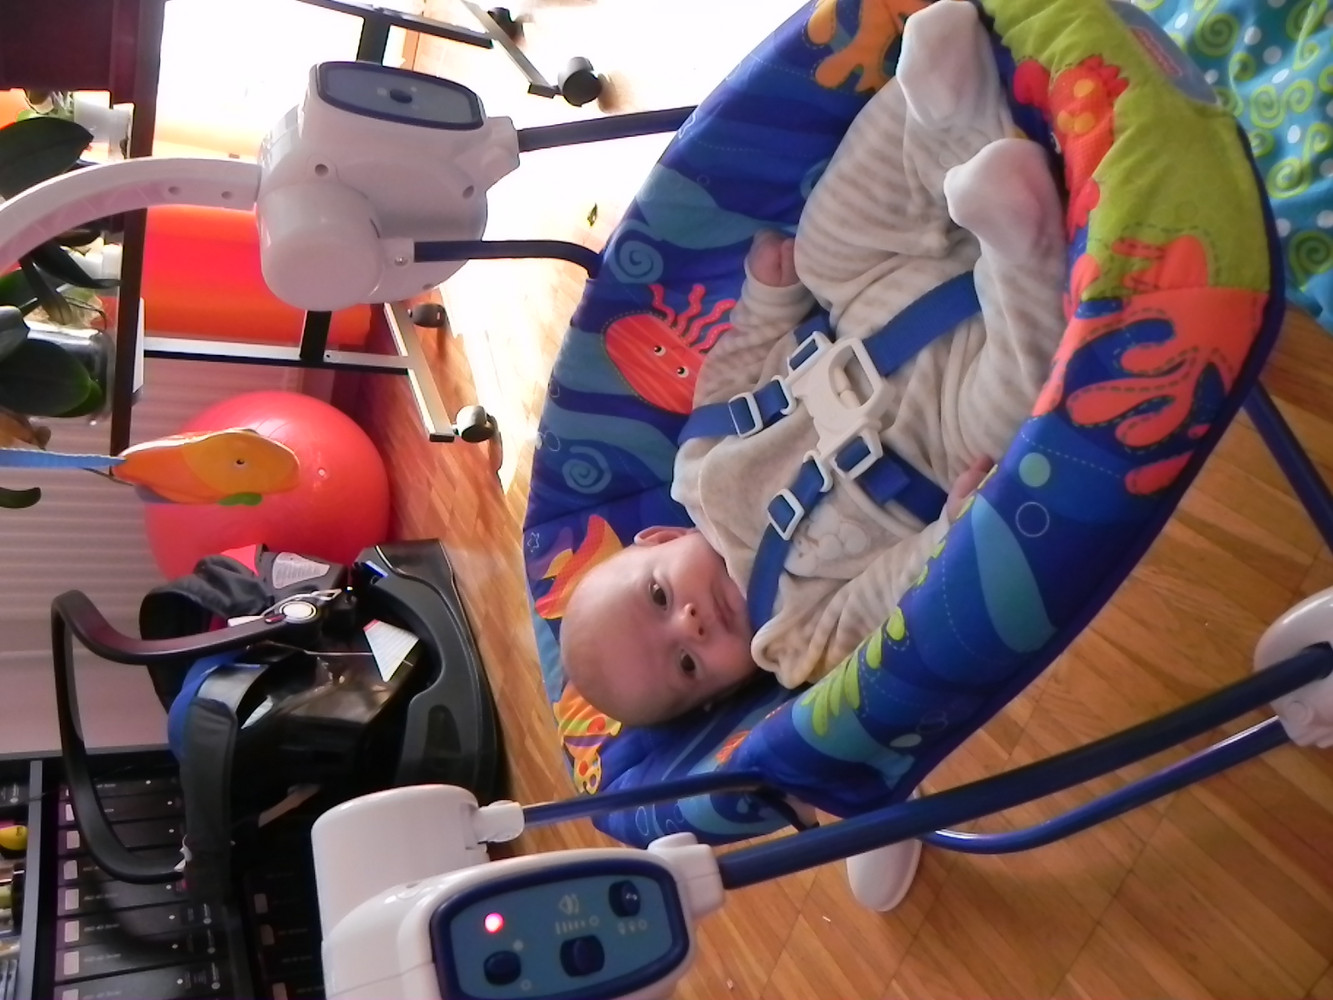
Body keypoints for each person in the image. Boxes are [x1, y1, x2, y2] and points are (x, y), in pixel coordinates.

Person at [560, 0, 1069, 729]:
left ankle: (941, 113)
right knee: (1013, 414)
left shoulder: (697, 475)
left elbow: (731, 379)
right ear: (716, 696)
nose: (691, 624)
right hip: (949, 427)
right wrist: (950, 533)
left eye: (659, 597)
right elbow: (888, 600)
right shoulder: (793, 640)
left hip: (871, 300)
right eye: (687, 665)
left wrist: (767, 302)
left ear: (661, 540)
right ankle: (1022, 240)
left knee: (827, 244)